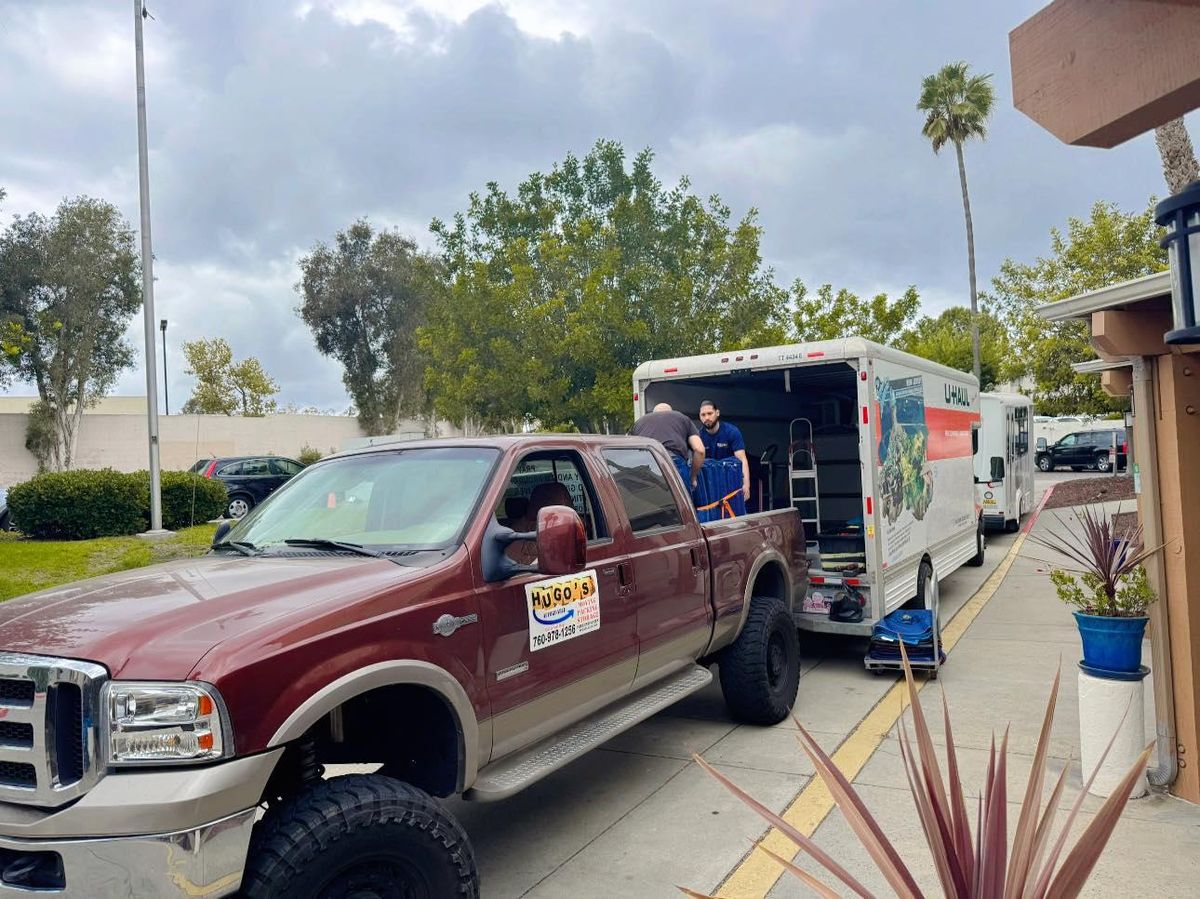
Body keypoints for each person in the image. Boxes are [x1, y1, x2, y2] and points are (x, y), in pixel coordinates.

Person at [630, 402, 706, 489]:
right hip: (672, 462)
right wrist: (693, 477)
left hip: (645, 464)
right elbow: (700, 450)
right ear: (671, 412)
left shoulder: (639, 422)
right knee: (680, 501)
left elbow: (629, 449)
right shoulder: (681, 418)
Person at [698, 399, 750, 502]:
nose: (707, 418)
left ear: (717, 413)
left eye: (710, 413)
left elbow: (742, 459)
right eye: (703, 415)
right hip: (711, 481)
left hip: (732, 478)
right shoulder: (698, 436)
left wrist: (746, 484)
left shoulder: (731, 431)